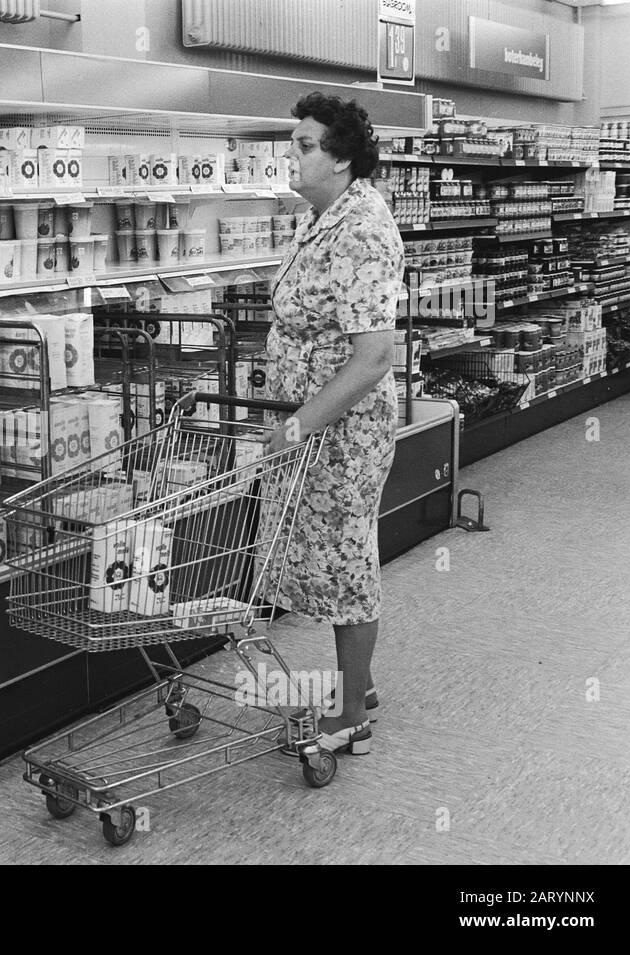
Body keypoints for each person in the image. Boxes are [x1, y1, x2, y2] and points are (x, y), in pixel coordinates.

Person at [259, 92, 403, 756]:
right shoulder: (318, 217)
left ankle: (349, 717)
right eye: (294, 141)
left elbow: (373, 358)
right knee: (328, 557)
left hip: (343, 433)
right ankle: (358, 683)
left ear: (342, 158)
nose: (293, 153)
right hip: (311, 424)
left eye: (306, 144)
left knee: (346, 563)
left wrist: (296, 428)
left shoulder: (363, 228)